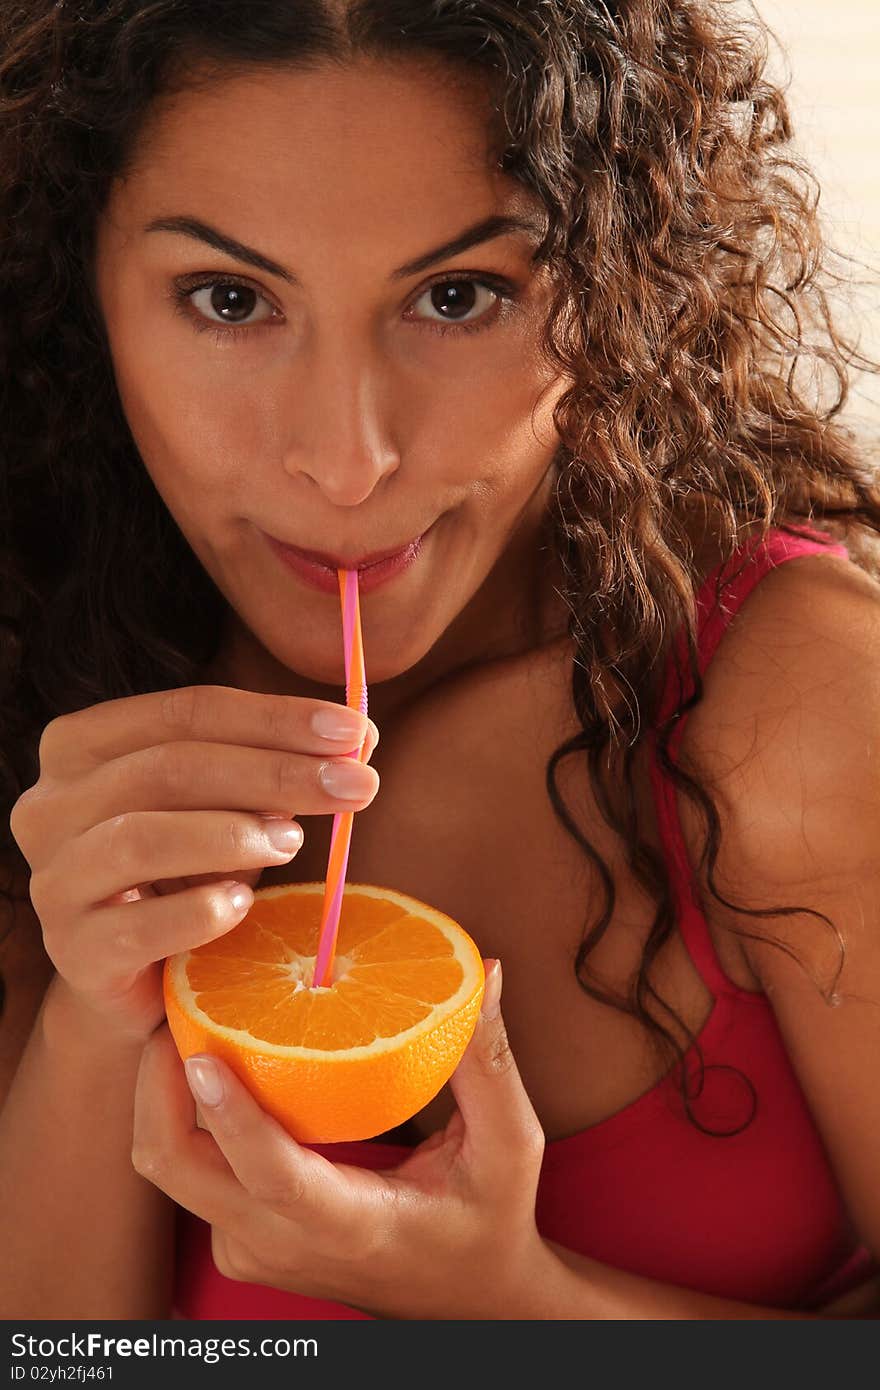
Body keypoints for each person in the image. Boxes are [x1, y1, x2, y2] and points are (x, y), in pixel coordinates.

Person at [0, 0, 878, 1322]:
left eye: (458, 297)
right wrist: (89, 1014)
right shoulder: (35, 698)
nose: (346, 458)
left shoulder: (789, 710)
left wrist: (512, 1297)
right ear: (81, 292)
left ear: (617, 286)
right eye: (228, 299)